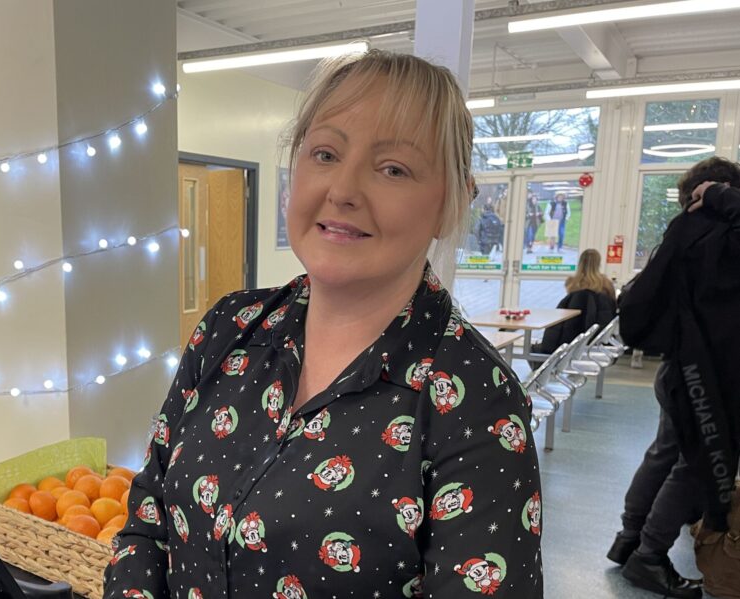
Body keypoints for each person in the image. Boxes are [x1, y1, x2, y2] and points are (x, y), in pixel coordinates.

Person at [103, 51, 543, 599]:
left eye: (393, 169)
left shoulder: (474, 400)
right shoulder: (228, 327)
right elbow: (148, 521)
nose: (343, 190)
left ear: (449, 205)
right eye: (326, 153)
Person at [610, 156, 740, 599]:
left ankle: (630, 538)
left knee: (668, 453)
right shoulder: (720, 236)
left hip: (679, 367)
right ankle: (648, 556)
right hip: (709, 373)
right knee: (693, 462)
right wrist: (723, 197)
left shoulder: (682, 232)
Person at [528, 249, 616, 365]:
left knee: (531, 349)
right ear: (598, 263)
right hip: (596, 337)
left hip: (570, 338)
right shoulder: (606, 285)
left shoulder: (574, 285)